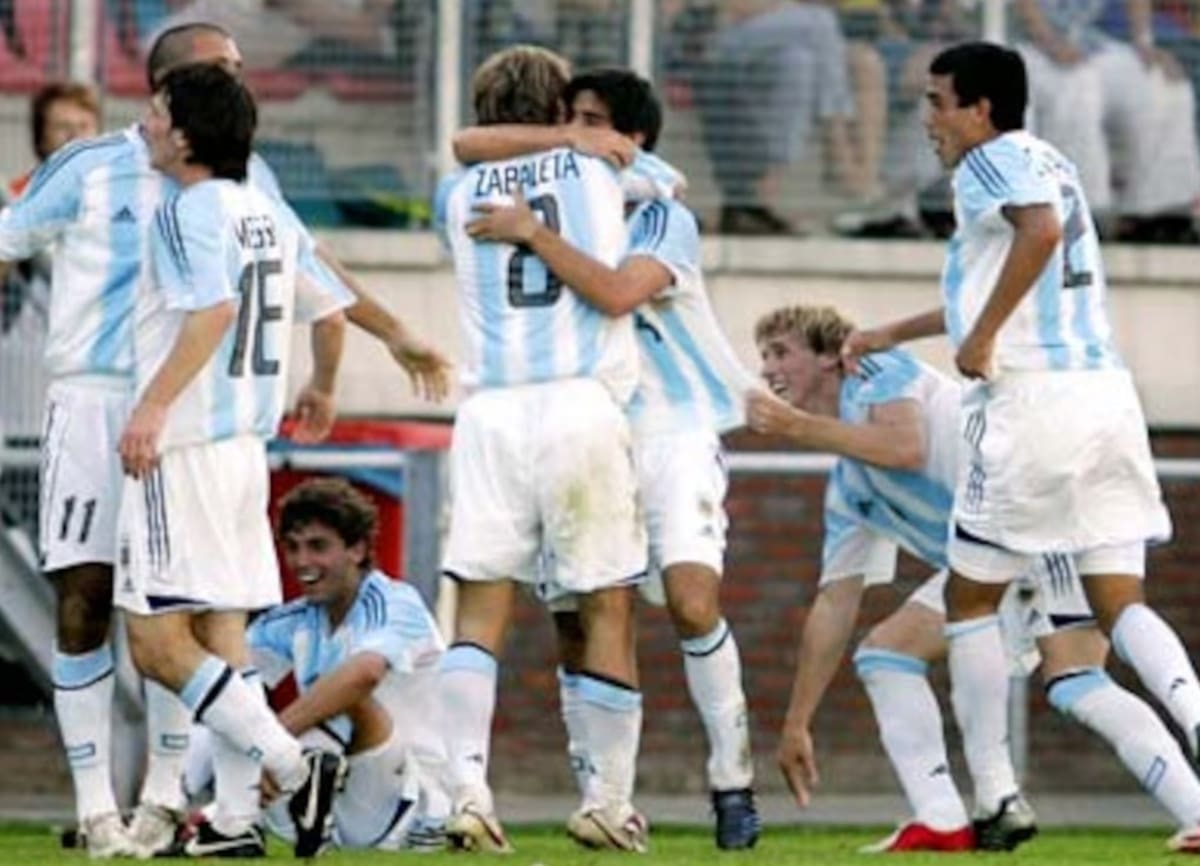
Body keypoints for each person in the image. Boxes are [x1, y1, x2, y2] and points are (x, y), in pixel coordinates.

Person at [0, 20, 449, 858]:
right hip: (99, 408)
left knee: (180, 619)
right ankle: (102, 806)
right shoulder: (90, 170)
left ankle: (170, 803)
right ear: (174, 91)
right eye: (229, 70)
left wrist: (388, 336)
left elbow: (309, 272)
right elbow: (7, 239)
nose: (245, 82)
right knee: (89, 602)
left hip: (183, 424)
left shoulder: (239, 185)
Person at [842, 41, 1200, 852]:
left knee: (970, 601)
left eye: (937, 102)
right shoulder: (1052, 159)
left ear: (980, 108)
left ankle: (998, 795)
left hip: (1032, 405)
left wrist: (986, 337)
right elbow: (1013, 267)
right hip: (1106, 397)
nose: (927, 118)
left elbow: (1033, 237)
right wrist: (894, 331)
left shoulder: (990, 163)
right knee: (1119, 600)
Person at [749, 304, 1200, 853]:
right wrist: (798, 721)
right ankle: (944, 818)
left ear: (830, 357)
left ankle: (999, 797)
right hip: (992, 554)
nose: (767, 369)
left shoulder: (872, 368)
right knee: (894, 655)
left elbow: (905, 446)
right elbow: (833, 604)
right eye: (763, 356)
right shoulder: (849, 489)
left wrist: (798, 427)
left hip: (1036, 516)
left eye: (781, 352)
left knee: (1072, 675)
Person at [459, 68, 761, 850]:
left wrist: (537, 234)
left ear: (636, 139)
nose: (581, 132)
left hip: (673, 427)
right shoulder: (571, 183)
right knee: (580, 617)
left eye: (596, 121)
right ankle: (597, 790)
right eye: (571, 119)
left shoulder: (661, 212)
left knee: (692, 603)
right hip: (591, 428)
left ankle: (732, 779)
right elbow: (471, 147)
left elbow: (621, 293)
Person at [113, 62, 349, 858]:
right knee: (224, 639)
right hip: (247, 449)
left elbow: (213, 310)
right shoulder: (269, 212)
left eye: (154, 111)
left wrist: (151, 406)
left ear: (185, 135)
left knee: (154, 640)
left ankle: (294, 763)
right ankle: (236, 823)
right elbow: (333, 309)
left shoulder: (185, 211)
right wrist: (323, 387)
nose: (143, 122)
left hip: (181, 450)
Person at [433, 45, 648, 854]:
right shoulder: (599, 173)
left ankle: (466, 793)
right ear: (557, 110)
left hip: (489, 410)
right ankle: (606, 799)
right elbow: (657, 179)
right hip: (577, 404)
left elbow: (466, 150)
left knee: (479, 610)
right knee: (605, 605)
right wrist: (586, 145)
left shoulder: (454, 195)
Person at [181, 477, 450, 852]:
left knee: (350, 688)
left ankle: (291, 780)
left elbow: (365, 675)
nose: (302, 562)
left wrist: (272, 742)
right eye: (292, 548)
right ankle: (201, 816)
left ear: (357, 549)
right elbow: (218, 689)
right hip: (321, 812)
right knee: (230, 695)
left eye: (317, 546)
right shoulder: (292, 620)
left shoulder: (395, 602)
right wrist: (176, 789)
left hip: (407, 800)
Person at [0, 82, 100, 534]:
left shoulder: (117, 205)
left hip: (92, 413)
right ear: (40, 138)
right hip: (24, 410)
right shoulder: (15, 199)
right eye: (62, 128)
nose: (73, 138)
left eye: (83, 127)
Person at [1014, 0, 1200, 240]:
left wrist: (1144, 43)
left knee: (1163, 84)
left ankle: (1157, 213)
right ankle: (1083, 212)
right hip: (1018, 44)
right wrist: (1049, 40)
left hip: (1087, 42)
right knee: (1077, 85)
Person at [693, 0, 866, 234]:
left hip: (769, 42)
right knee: (821, 23)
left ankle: (763, 196)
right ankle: (836, 141)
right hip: (716, 39)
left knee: (798, 63)